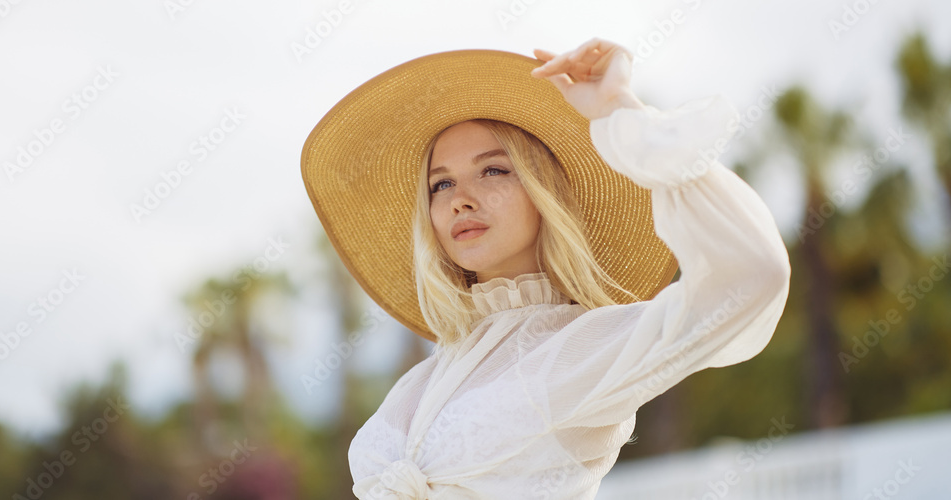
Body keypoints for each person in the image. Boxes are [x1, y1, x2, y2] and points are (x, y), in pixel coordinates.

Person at [301, 38, 791, 499]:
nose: (459, 201)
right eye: (440, 184)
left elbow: (753, 277)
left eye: (493, 170)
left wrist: (618, 107)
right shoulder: (422, 380)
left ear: (543, 193)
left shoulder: (584, 345)